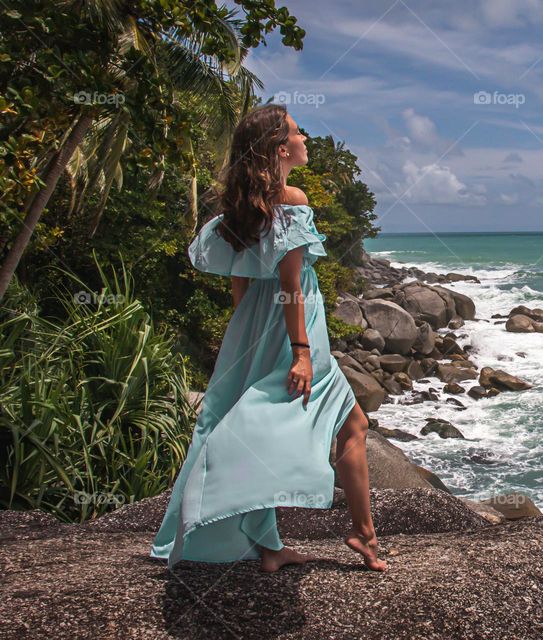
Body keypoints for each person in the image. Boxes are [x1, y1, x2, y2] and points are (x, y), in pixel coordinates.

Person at [150, 104, 387, 573]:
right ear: (281, 149)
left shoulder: (241, 207)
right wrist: (300, 352)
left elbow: (240, 279)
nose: (305, 141)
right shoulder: (291, 199)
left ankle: (269, 545)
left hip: (255, 326)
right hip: (294, 328)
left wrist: (247, 337)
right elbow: (290, 284)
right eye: (298, 134)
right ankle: (362, 534)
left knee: (245, 426)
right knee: (352, 425)